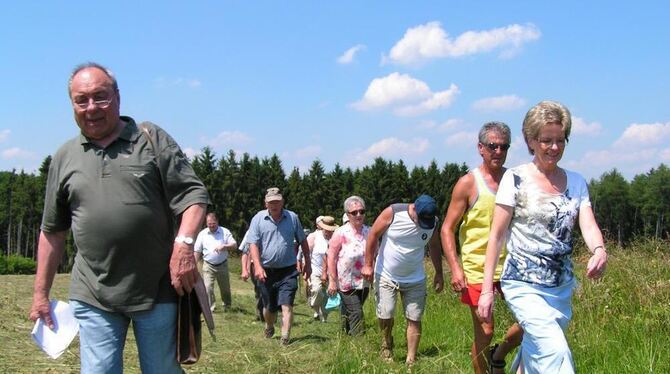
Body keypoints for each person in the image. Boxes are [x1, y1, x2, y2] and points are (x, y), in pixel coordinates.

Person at [29, 62, 210, 373]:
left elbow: (194, 196)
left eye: (101, 97)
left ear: (118, 97)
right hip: (93, 292)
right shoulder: (64, 156)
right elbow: (53, 231)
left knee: (161, 370)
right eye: (81, 100)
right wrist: (40, 295)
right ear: (72, 104)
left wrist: (184, 245)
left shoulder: (151, 140)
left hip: (158, 290)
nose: (91, 107)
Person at [478, 101, 608, 373]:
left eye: (561, 140)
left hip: (560, 287)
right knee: (556, 351)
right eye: (546, 140)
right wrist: (487, 291)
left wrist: (599, 250)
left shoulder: (576, 182)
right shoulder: (515, 178)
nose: (554, 147)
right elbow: (496, 236)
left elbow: (588, 223)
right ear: (531, 141)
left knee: (537, 350)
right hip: (523, 284)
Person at [441, 122, 523, 373]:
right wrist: (455, 268)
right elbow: (447, 229)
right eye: (492, 146)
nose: (498, 151)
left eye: (504, 146)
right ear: (480, 148)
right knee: (486, 331)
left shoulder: (516, 181)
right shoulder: (468, 183)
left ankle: (500, 354)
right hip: (477, 268)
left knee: (531, 322)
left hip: (512, 266)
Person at [362, 195, 444, 365]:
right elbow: (372, 235)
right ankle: (386, 345)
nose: (422, 224)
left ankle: (411, 360)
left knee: (414, 318)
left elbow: (435, 246)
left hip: (415, 278)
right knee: (386, 313)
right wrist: (368, 264)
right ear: (413, 208)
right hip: (386, 275)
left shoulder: (433, 222)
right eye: (419, 219)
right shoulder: (393, 212)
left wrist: (439, 273)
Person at [249, 187, 311, 345]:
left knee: (286, 304)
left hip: (288, 271)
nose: (275, 204)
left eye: (277, 201)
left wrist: (308, 263)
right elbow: (253, 244)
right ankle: (269, 325)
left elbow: (303, 241)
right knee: (269, 307)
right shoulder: (258, 219)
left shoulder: (292, 218)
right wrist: (257, 266)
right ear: (266, 204)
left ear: (282, 202)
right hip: (266, 271)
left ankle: (285, 338)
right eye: (271, 202)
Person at [327, 196, 370, 336]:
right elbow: (331, 257)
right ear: (347, 215)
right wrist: (332, 281)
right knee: (356, 312)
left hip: (364, 282)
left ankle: (344, 334)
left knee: (350, 310)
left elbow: (375, 254)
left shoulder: (369, 232)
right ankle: (358, 344)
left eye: (361, 211)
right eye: (354, 212)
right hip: (346, 281)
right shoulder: (340, 233)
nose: (359, 215)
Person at [194, 212, 237, 313]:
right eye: (209, 223)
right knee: (208, 287)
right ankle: (210, 308)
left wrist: (225, 246)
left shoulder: (225, 232)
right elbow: (197, 251)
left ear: (217, 222)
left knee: (225, 288)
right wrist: (193, 265)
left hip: (222, 264)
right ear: (206, 223)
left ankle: (227, 306)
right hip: (208, 265)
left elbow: (234, 245)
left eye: (213, 223)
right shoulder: (202, 234)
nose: (211, 225)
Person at [306, 215, 338, 322]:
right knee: (317, 290)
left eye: (330, 230)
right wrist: (305, 267)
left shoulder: (336, 238)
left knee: (328, 295)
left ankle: (324, 316)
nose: (328, 232)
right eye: (326, 229)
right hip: (316, 270)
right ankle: (315, 308)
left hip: (331, 272)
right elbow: (307, 253)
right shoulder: (314, 237)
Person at [239, 230, 264, 322]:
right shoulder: (252, 230)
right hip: (256, 266)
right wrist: (244, 269)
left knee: (271, 290)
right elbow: (245, 252)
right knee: (259, 290)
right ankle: (260, 314)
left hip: (273, 264)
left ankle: (270, 313)